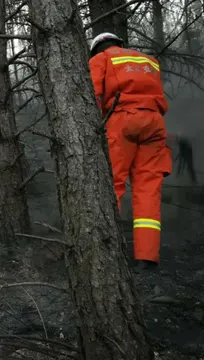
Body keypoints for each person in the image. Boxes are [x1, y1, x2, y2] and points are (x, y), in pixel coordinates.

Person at [88, 32, 173, 269]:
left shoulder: (102, 59)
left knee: (112, 184)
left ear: (97, 49)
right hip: (154, 122)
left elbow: (93, 94)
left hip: (121, 120)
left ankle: (108, 251)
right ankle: (147, 257)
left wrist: (94, 126)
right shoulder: (148, 61)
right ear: (119, 44)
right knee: (147, 188)